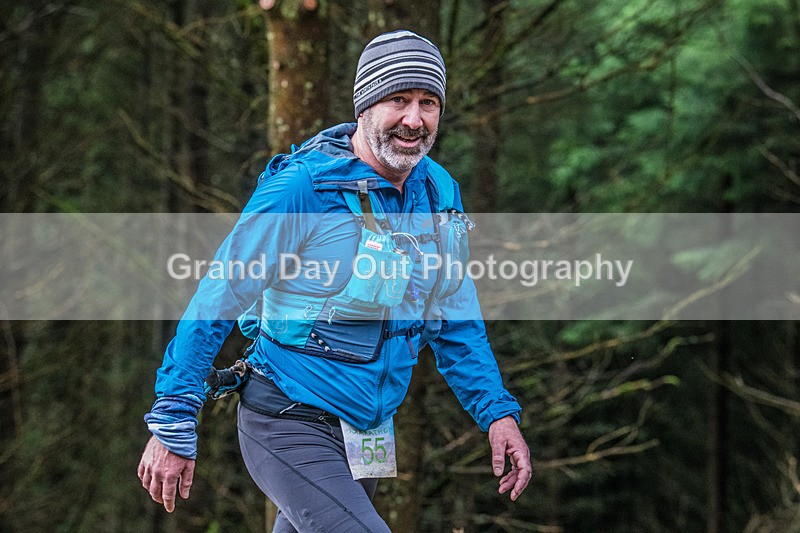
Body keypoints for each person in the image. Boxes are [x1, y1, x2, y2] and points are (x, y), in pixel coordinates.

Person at [138, 29, 531, 531]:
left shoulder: (438, 190)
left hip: (363, 431)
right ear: (365, 106)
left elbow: (454, 317)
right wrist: (174, 415)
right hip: (286, 420)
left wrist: (497, 413)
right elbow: (220, 294)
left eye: (428, 102)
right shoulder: (302, 189)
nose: (414, 119)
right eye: (399, 100)